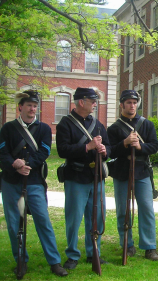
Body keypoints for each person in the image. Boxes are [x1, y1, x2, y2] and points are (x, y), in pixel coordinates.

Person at [0, 90, 68, 278]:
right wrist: (15, 164)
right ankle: (20, 261)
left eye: (35, 106)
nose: (32, 109)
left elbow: (44, 151)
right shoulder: (8, 128)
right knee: (14, 224)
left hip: (34, 181)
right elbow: (1, 153)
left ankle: (54, 262)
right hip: (11, 181)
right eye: (29, 105)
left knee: (43, 220)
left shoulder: (43, 128)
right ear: (21, 107)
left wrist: (27, 165)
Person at [56, 87, 111, 269]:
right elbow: (63, 150)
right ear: (81, 102)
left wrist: (104, 151)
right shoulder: (65, 124)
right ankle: (72, 255)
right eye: (92, 100)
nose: (95, 104)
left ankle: (93, 251)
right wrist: (87, 147)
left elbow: (109, 147)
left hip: (96, 177)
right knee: (74, 218)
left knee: (97, 217)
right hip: (76, 176)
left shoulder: (97, 124)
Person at [107, 90, 158, 261]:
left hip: (142, 170)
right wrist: (124, 143)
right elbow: (110, 152)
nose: (132, 106)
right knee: (123, 211)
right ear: (122, 104)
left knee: (146, 209)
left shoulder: (146, 125)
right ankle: (127, 245)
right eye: (128, 102)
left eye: (134, 102)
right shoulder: (114, 128)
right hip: (122, 171)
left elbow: (153, 146)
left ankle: (149, 247)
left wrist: (139, 147)